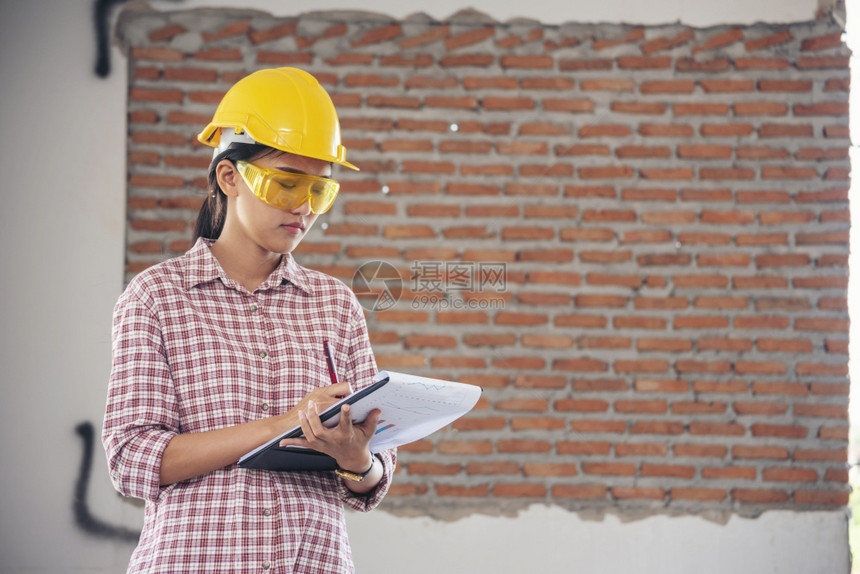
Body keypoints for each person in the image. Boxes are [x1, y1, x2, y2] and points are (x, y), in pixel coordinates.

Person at [103, 67, 395, 573]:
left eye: (319, 191)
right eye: (286, 184)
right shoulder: (157, 298)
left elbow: (373, 479)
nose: (303, 207)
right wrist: (284, 425)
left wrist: (358, 461)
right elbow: (131, 460)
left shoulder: (335, 304)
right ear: (229, 176)